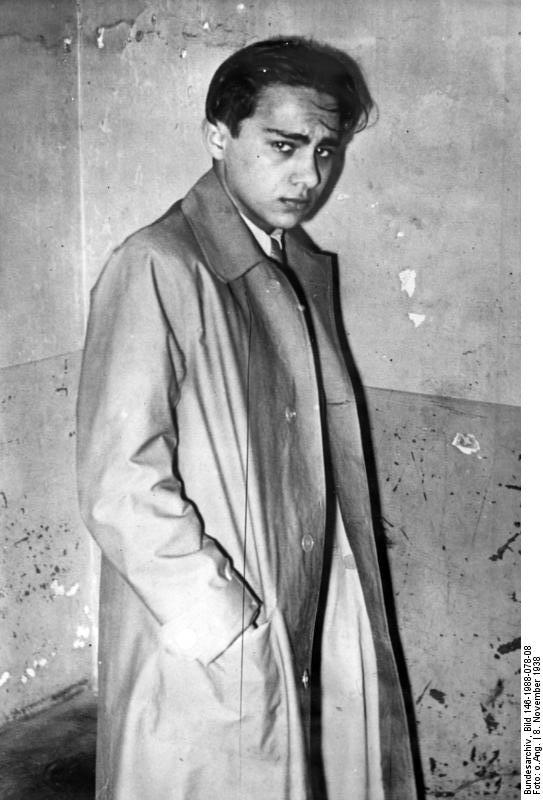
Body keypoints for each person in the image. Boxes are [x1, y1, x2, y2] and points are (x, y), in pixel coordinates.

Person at [77, 37, 417, 800]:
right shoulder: (158, 264)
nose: (309, 176)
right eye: (284, 146)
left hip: (289, 595)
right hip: (209, 628)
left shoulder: (291, 262)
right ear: (217, 135)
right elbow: (118, 481)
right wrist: (220, 618)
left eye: (325, 151)